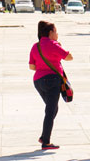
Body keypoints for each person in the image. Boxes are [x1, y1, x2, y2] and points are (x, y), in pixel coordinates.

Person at [29, 20, 73, 151]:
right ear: (50, 33)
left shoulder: (35, 46)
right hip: (52, 80)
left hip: (38, 81)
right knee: (50, 111)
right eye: (56, 31)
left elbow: (32, 66)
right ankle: (46, 142)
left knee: (52, 109)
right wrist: (58, 47)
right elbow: (69, 57)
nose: (57, 34)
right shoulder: (53, 44)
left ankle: (44, 136)